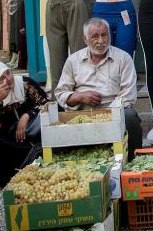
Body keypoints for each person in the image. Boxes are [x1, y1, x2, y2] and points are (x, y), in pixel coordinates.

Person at [54, 17, 143, 159]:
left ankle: (133, 160)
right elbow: (60, 93)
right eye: (95, 36)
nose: (101, 41)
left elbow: (128, 96)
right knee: (57, 120)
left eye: (104, 35)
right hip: (81, 113)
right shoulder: (73, 60)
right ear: (85, 39)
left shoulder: (123, 59)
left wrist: (105, 114)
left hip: (115, 111)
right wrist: (79, 97)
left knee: (130, 116)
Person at [0, 61, 49, 188]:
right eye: (1, 78)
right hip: (10, 139)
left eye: (8, 73)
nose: (8, 79)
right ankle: (2, 178)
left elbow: (47, 104)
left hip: (32, 137)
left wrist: (26, 115)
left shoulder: (25, 84)